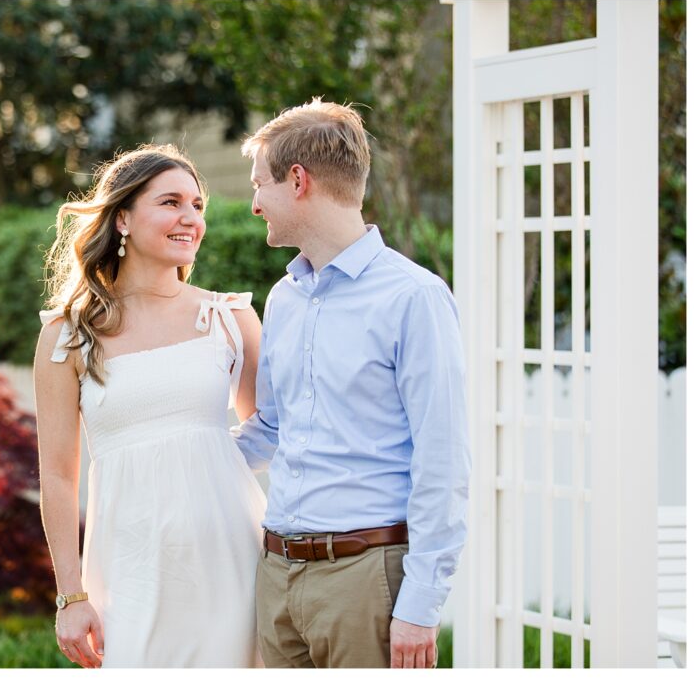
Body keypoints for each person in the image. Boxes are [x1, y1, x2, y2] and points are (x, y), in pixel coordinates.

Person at [231, 98, 471, 669]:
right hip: (276, 575)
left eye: (259, 184)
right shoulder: (284, 298)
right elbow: (272, 426)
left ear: (298, 180)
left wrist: (420, 604)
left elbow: (442, 460)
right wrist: (178, 455)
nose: (255, 202)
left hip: (365, 578)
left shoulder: (414, 298)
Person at [33, 144, 266, 668]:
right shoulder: (66, 335)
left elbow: (273, 437)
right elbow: (58, 475)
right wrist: (70, 595)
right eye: (171, 202)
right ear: (122, 218)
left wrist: (201, 456)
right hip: (127, 566)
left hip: (231, 556)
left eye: (198, 205)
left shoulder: (231, 319)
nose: (191, 218)